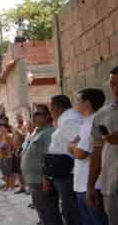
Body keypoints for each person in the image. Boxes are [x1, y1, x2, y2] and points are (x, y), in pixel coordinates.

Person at [69, 88, 108, 225]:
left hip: (91, 185)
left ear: (87, 103)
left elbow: (80, 153)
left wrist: (74, 147)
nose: (76, 104)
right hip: (83, 184)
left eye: (78, 100)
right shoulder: (85, 123)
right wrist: (74, 147)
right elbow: (73, 146)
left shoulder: (94, 122)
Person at [22, 104, 62, 225]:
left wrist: (47, 178)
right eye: (33, 114)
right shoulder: (38, 132)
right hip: (34, 180)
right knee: (43, 212)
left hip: (41, 181)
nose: (34, 117)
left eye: (37, 114)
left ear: (47, 116)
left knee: (49, 213)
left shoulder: (49, 132)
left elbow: (49, 157)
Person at [88, 65, 118, 225]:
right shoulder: (102, 114)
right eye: (113, 84)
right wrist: (91, 186)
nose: (116, 88)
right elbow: (97, 151)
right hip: (112, 185)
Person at [46, 95, 82, 225]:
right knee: (68, 208)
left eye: (51, 109)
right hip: (62, 170)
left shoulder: (69, 120)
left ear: (57, 107)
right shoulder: (66, 118)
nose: (51, 112)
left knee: (70, 210)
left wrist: (71, 148)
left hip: (67, 171)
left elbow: (80, 141)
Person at [13, 113, 28, 194]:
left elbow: (24, 137)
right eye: (17, 117)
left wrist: (17, 130)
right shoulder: (16, 126)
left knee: (23, 169)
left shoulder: (25, 126)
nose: (19, 119)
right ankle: (21, 187)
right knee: (18, 170)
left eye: (20, 117)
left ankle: (26, 187)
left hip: (22, 149)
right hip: (16, 150)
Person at [0, 123, 15, 191]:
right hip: (1, 156)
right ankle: (7, 186)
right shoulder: (1, 136)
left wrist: (7, 156)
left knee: (9, 172)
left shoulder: (8, 136)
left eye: (2, 127)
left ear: (6, 128)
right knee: (4, 172)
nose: (1, 129)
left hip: (7, 156)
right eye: (0, 128)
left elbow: (10, 147)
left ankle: (11, 186)